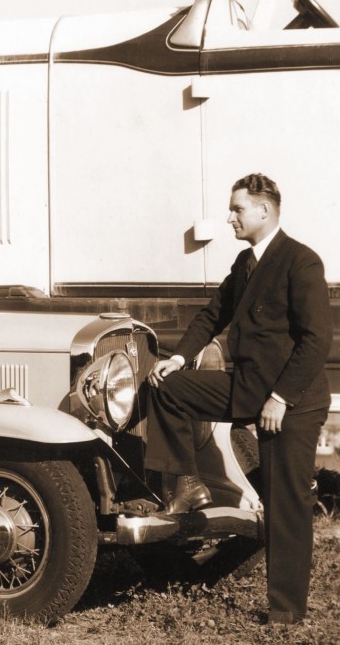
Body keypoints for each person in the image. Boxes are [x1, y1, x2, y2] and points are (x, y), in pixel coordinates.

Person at [144, 174, 331, 625]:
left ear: (264, 211)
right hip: (247, 386)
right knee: (167, 389)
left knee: (284, 501)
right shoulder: (245, 264)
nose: (229, 218)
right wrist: (179, 357)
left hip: (293, 399)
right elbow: (213, 314)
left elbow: (317, 340)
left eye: (237, 209)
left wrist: (281, 399)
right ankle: (189, 483)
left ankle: (286, 612)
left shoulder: (300, 262)